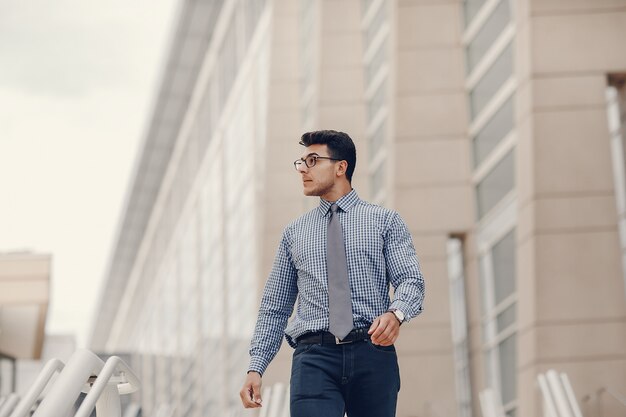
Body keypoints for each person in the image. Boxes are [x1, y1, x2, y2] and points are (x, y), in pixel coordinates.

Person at [239, 130, 425, 417]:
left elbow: (410, 280)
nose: (302, 169)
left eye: (312, 160)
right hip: (314, 359)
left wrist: (396, 314)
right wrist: (256, 366)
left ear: (341, 167)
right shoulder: (294, 234)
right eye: (300, 162)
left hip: (372, 354)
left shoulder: (385, 221)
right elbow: (275, 308)